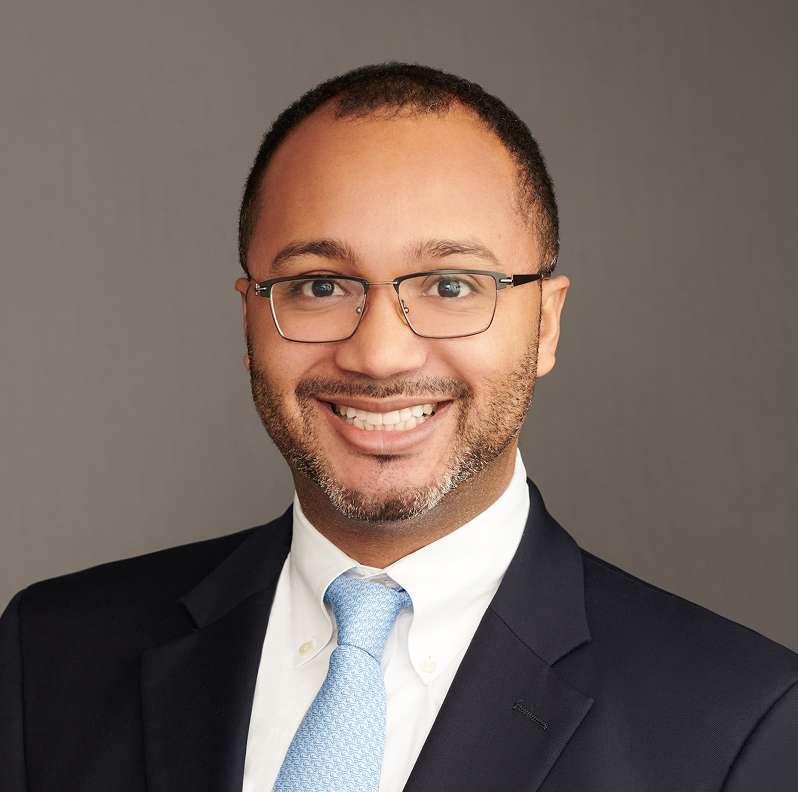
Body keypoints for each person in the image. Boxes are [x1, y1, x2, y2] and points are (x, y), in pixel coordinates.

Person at [1, 62, 796, 792]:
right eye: (319, 284)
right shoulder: (49, 656)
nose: (379, 354)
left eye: (452, 284)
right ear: (250, 319)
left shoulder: (743, 725)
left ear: (546, 325)